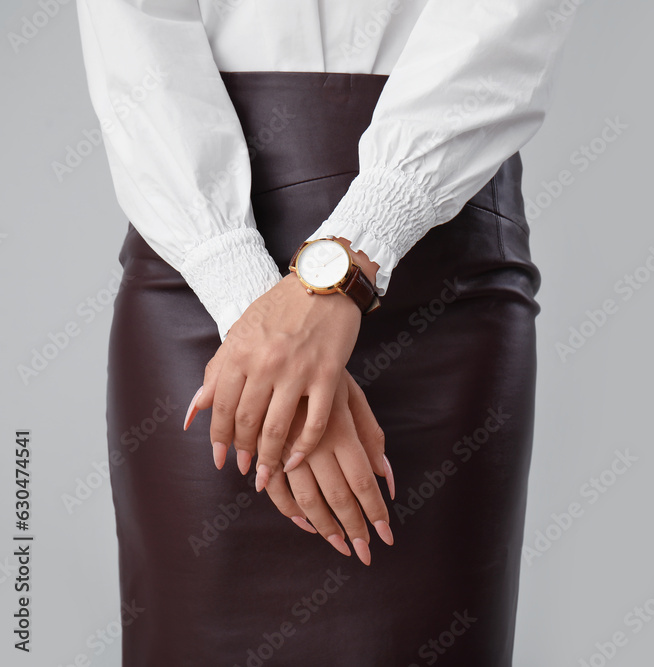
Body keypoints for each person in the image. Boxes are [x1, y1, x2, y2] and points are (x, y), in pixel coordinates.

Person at [76, 0, 574, 664]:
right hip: (198, 262)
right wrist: (251, 306)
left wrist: (353, 254)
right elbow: (134, 34)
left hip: (435, 260)